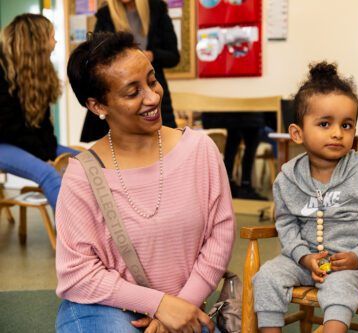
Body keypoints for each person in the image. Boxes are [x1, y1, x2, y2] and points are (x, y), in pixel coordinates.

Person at [56, 32, 235, 333]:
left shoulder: (199, 150)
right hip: (104, 308)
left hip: (185, 308)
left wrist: (181, 307)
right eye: (132, 92)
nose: (152, 97)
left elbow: (220, 234)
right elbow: (77, 274)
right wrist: (160, 304)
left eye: (152, 81)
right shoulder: (83, 174)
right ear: (98, 105)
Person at [252, 62, 358, 333]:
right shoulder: (287, 177)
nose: (337, 133)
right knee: (266, 277)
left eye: (347, 125)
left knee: (339, 289)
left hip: (350, 265)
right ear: (297, 133)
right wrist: (302, 257)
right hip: (303, 261)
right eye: (325, 123)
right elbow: (285, 224)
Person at [0, 13, 79, 210]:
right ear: (37, 41)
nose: (56, 41)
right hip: (3, 141)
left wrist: (49, 152)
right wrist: (45, 158)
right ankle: (72, 239)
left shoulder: (38, 71)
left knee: (87, 162)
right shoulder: (2, 71)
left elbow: (42, 124)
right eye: (52, 36)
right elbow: (9, 128)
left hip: (21, 140)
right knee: (49, 174)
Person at [79, 0, 180, 143]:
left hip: (155, 89)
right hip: (117, 91)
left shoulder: (157, 9)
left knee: (164, 142)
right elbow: (95, 57)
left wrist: (152, 55)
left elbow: (173, 56)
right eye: (132, 92)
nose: (153, 99)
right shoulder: (105, 15)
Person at [202, 112, 268, 201]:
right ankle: (245, 185)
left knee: (232, 144)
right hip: (250, 111)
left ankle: (227, 184)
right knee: (249, 146)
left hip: (233, 113)